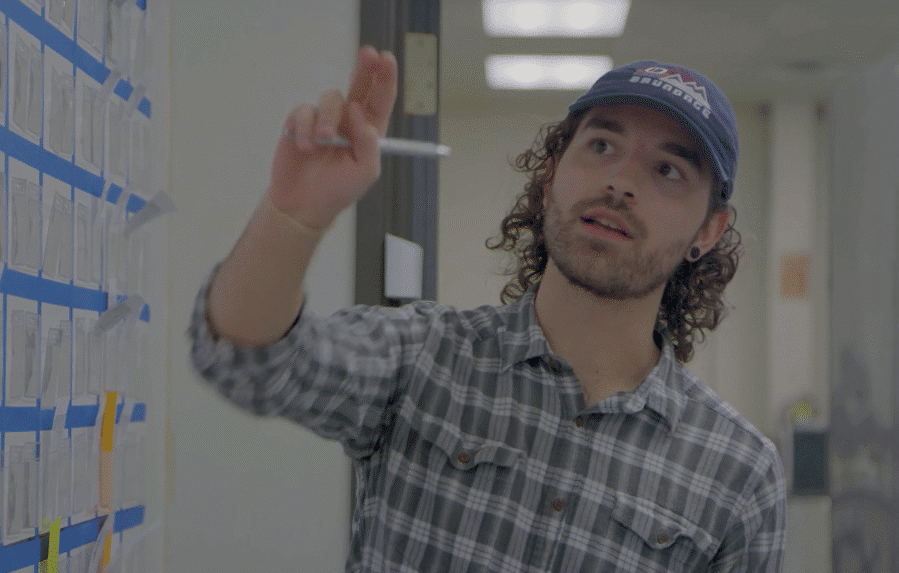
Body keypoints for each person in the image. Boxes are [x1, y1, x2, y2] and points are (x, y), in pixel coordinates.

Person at [188, 45, 787, 572]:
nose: (621, 183)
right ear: (553, 171)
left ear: (709, 229)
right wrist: (293, 215)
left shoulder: (738, 473)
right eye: (602, 145)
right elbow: (250, 364)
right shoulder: (423, 354)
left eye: (667, 169)